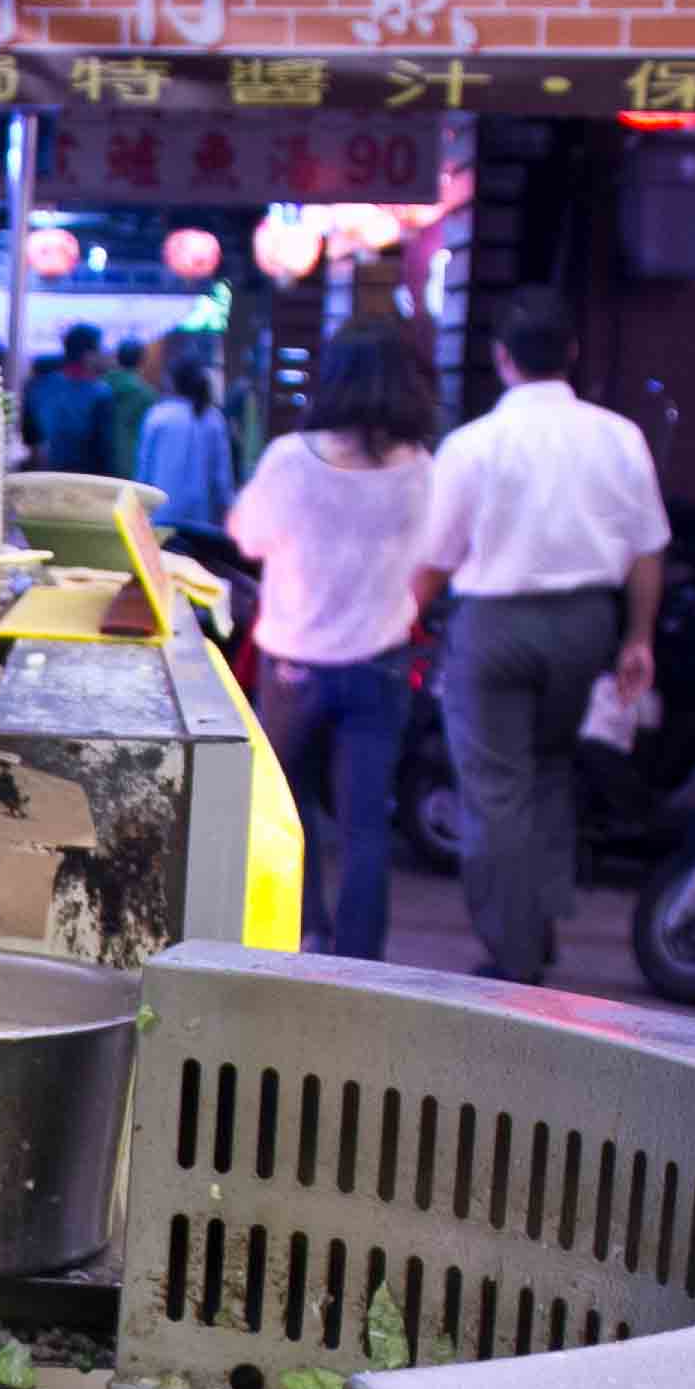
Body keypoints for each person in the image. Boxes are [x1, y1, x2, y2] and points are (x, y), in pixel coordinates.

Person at [410, 288, 670, 985]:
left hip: (495, 627)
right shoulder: (620, 437)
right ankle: (543, 925)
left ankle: (513, 953)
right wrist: (638, 639)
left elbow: (434, 559)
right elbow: (648, 548)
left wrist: (395, 622)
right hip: (588, 625)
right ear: (572, 354)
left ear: (502, 358)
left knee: (496, 789)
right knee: (551, 769)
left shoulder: (473, 445)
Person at [230, 321, 439, 962]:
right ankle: (358, 963)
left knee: (286, 810)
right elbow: (434, 552)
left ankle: (304, 930)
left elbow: (247, 536)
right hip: (381, 663)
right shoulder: (421, 468)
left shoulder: (292, 459)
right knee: (365, 825)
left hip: (294, 664)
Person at [135, 358, 235, 533]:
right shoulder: (213, 419)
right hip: (202, 518)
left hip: (162, 515)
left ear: (173, 381)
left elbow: (144, 469)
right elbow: (221, 477)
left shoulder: (158, 416)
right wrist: (226, 510)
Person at [21, 322, 109, 473]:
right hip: (83, 479)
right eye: (99, 350)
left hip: (42, 475)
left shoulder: (39, 386)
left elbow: (29, 437)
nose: (103, 355)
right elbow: (103, 453)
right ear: (88, 355)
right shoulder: (100, 394)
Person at [95, 332, 157, 485]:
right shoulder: (147, 395)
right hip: (130, 465)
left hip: (97, 463)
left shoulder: (98, 386)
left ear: (117, 357)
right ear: (141, 360)